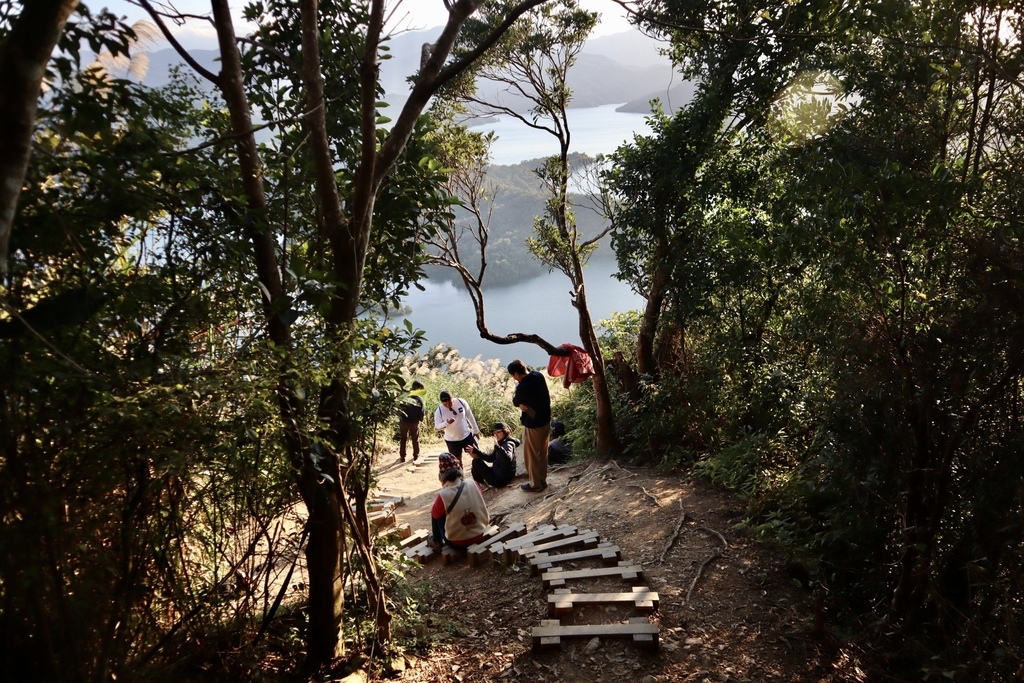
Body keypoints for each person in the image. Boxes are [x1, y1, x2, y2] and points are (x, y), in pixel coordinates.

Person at [428, 453, 489, 549]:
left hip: (457, 543)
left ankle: (436, 540)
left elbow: (435, 515)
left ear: (442, 476)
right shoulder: (473, 483)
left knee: (436, 513)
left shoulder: (443, 494)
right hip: (479, 534)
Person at [507, 359, 551, 492]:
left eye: (513, 376)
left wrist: (521, 405)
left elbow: (516, 401)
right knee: (543, 452)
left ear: (516, 374)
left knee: (531, 455)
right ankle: (542, 480)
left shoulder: (523, 385)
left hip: (533, 424)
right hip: (545, 420)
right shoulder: (538, 375)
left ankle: (535, 484)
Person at [465, 422, 519, 489]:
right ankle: (481, 484)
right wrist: (477, 452)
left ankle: (482, 485)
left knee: (476, 462)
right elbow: (491, 458)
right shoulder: (501, 443)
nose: (496, 435)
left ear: (505, 432)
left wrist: (498, 448)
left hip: (501, 480)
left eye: (498, 432)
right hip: (499, 474)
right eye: (494, 433)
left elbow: (508, 458)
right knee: (476, 463)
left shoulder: (508, 444)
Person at [433, 390, 480, 467]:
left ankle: (481, 477)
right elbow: (437, 426)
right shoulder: (439, 411)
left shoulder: (461, 402)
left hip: (466, 436)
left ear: (452, 398)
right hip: (452, 441)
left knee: (477, 457)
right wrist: (446, 423)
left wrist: (476, 430)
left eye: (450, 403)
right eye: (445, 404)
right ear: (442, 403)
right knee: (457, 463)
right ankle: (461, 478)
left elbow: (469, 415)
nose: (448, 405)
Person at [398, 380, 425, 462]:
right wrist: (420, 419)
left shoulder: (405, 395)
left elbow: (399, 407)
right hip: (414, 421)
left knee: (403, 438)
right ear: (419, 388)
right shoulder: (419, 398)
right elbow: (422, 410)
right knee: (415, 438)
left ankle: (402, 456)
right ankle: (416, 455)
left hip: (403, 421)